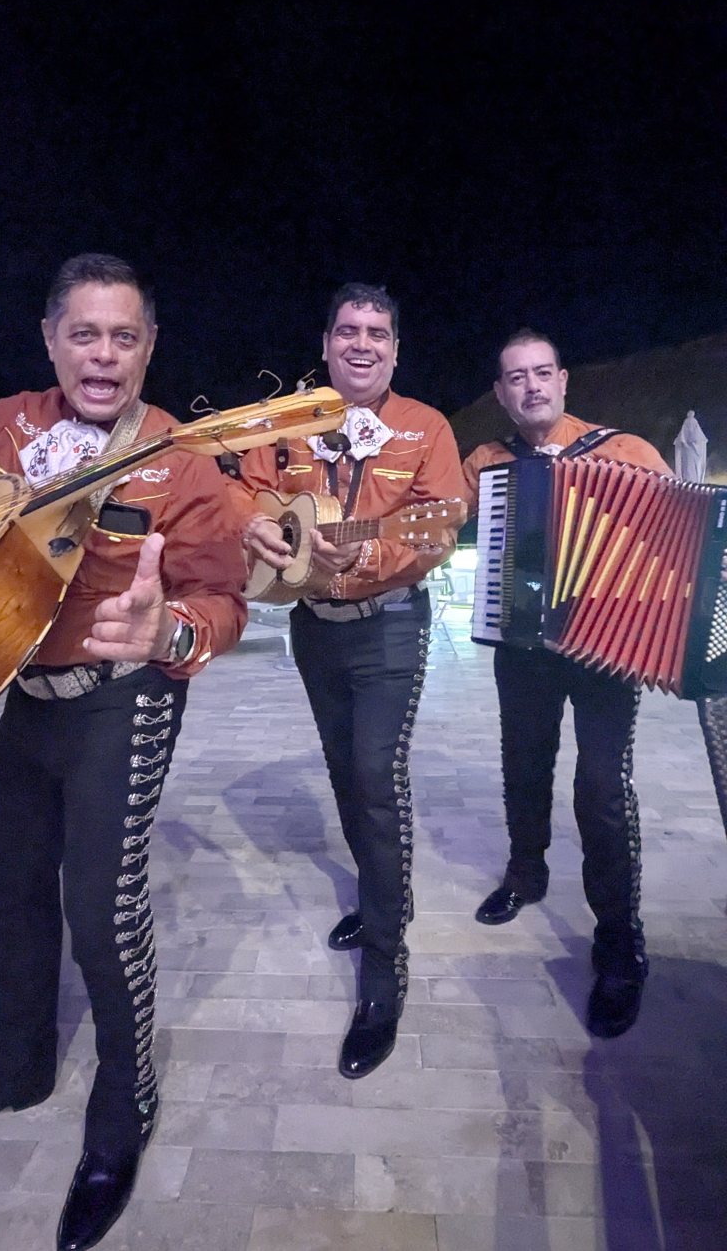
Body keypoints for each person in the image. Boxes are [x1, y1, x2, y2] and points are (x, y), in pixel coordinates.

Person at [0, 254, 246, 1251]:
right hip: (28, 694)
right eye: (84, 334)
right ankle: (17, 1065)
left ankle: (126, 1099)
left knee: (102, 914)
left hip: (124, 695)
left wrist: (170, 633)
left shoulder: (185, 464)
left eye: (123, 336)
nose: (102, 355)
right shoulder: (0, 429)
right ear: (50, 339)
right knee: (4, 881)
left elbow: (223, 603)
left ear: (148, 348)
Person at [230, 284, 468, 1078]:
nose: (362, 344)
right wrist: (258, 520)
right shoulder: (291, 422)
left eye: (377, 333)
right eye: (348, 331)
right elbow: (243, 487)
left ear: (396, 350)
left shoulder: (427, 427)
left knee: (375, 776)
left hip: (389, 626)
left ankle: (385, 965)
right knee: (343, 771)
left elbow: (440, 520)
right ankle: (378, 899)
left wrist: (368, 555)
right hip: (312, 626)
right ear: (327, 344)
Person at [463, 328, 673, 1040]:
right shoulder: (487, 462)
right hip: (522, 644)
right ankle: (526, 874)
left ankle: (619, 937)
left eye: (542, 372)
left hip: (607, 648)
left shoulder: (625, 451)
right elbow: (441, 523)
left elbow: (676, 534)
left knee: (602, 788)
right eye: (516, 377)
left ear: (562, 380)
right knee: (523, 763)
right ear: (501, 393)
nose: (531, 386)